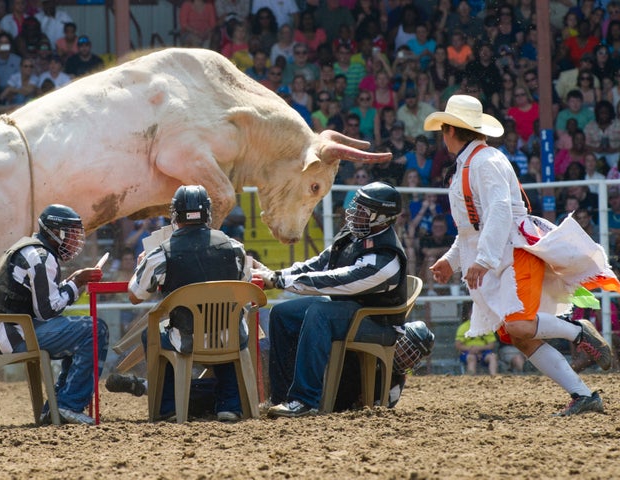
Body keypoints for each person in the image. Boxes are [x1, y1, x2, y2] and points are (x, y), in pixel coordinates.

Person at [426, 94, 616, 416]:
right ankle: (583, 396)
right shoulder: (470, 166)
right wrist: (452, 259)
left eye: (443, 130)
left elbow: (500, 212)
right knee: (519, 335)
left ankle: (578, 331)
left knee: (521, 327)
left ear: (450, 130)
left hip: (512, 252)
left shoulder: (485, 162)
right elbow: (471, 230)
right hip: (502, 254)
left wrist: (482, 260)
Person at [253, 182, 427, 417]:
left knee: (319, 313)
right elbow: (319, 264)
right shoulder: (353, 234)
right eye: (356, 205)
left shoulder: (386, 259)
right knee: (283, 314)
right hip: (349, 312)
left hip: (378, 325)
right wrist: (276, 275)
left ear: (382, 218)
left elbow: (336, 280)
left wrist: (278, 281)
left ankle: (305, 401)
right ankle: (282, 396)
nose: (353, 211)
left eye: (363, 209)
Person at [113, 185, 252, 422]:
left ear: (175, 215)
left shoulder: (160, 253)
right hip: (229, 338)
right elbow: (245, 286)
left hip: (185, 338)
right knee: (227, 326)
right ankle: (229, 404)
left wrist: (142, 265)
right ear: (208, 214)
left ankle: (168, 406)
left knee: (151, 336)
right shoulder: (235, 248)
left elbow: (135, 296)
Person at [0, 204, 108, 425]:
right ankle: (67, 405)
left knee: (80, 333)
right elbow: (47, 311)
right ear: (55, 233)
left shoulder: (28, 248)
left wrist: (74, 281)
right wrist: (77, 283)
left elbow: (46, 300)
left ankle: (59, 406)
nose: (75, 241)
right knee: (95, 329)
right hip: (13, 336)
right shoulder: (42, 257)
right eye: (71, 234)